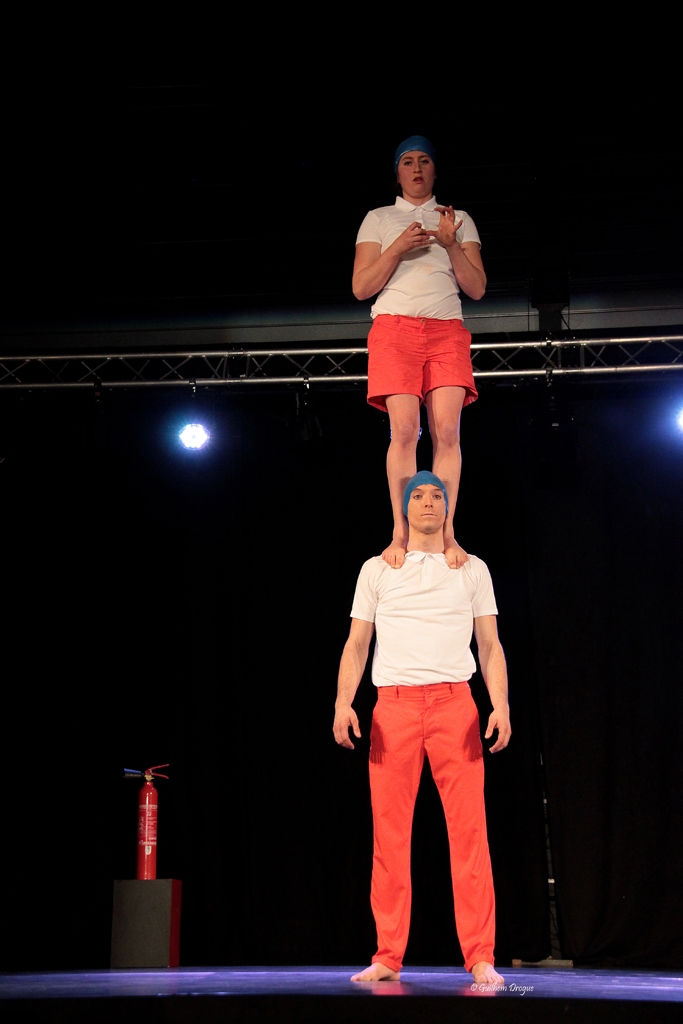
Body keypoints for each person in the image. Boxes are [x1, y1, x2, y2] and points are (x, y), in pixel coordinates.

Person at [333, 471, 511, 986]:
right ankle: (388, 955)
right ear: (404, 507)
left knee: (470, 835)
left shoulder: (472, 569)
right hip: (393, 708)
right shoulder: (377, 569)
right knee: (390, 838)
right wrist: (345, 701)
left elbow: (491, 646)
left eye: (438, 495)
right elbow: (356, 644)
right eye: (419, 495)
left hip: (457, 706)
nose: (429, 503)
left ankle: (481, 955)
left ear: (449, 507)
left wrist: (499, 704)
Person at [353, 135, 486, 572]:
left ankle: (446, 532)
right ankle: (401, 531)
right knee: (405, 432)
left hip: (446, 329)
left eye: (424, 161)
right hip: (394, 329)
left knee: (447, 431)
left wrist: (450, 243)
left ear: (434, 170)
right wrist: (398, 247)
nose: (416, 168)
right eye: (407, 162)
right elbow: (361, 288)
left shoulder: (458, 218)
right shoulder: (379, 218)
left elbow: (477, 288)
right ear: (397, 172)